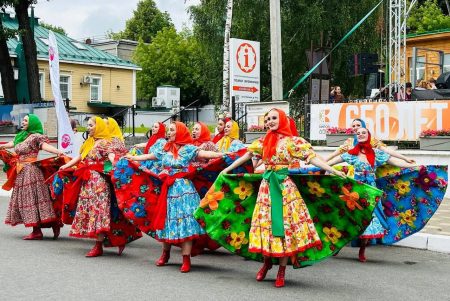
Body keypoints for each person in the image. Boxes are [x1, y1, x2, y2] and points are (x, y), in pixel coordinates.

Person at [220, 109, 347, 287]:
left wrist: (332, 170)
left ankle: (281, 270)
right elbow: (247, 156)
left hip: (284, 189)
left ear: (281, 120)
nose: (270, 121)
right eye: (268, 119)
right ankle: (265, 264)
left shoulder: (292, 142)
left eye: (274, 118)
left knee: (285, 228)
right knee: (265, 226)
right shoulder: (263, 141)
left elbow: (312, 158)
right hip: (266, 188)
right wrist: (226, 170)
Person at [125, 121, 224, 272]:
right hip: (168, 190)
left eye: (172, 130)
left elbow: (204, 154)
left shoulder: (189, 149)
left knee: (186, 224)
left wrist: (221, 154)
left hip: (184, 191)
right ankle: (165, 254)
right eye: (169, 130)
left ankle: (186, 259)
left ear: (179, 132)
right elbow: (150, 156)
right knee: (166, 222)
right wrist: (133, 159)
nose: (169, 132)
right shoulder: (164, 148)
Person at [327, 127, 417, 262]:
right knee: (350, 218)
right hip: (356, 190)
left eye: (363, 133)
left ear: (368, 135)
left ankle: (362, 250)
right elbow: (332, 162)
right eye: (358, 133)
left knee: (370, 218)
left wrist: (409, 164)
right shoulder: (352, 153)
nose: (361, 135)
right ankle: (338, 246)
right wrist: (321, 166)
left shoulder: (376, 153)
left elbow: (394, 161)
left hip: (370, 191)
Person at [59, 116, 141, 257]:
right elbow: (80, 157)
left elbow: (112, 158)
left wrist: (120, 165)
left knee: (99, 213)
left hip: (98, 183)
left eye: (91, 125)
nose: (88, 127)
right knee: (91, 212)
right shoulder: (90, 142)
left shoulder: (105, 143)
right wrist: (64, 166)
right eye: (88, 125)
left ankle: (98, 246)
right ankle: (111, 241)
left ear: (99, 127)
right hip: (87, 183)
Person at [0, 114, 64, 240]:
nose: (23, 122)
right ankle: (43, 228)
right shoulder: (21, 136)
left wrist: (57, 151)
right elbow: (12, 143)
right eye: (23, 120)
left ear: (32, 123)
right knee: (27, 200)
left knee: (33, 200)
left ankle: (40, 229)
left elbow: (44, 146)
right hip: (21, 172)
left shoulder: (35, 137)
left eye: (25, 120)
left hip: (31, 171)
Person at [326, 118, 415, 164]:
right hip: (356, 175)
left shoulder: (372, 140)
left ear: (364, 126)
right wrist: (322, 163)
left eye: (358, 125)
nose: (356, 127)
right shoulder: (350, 141)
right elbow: (335, 154)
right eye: (353, 126)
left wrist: (405, 158)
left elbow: (387, 151)